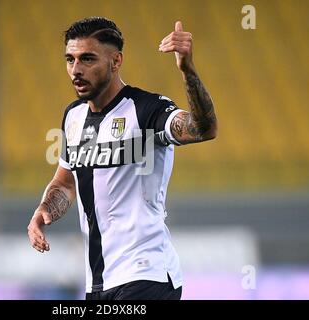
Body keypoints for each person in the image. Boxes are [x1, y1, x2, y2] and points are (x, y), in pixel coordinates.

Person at [27, 17, 217, 300]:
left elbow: (204, 128)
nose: (76, 70)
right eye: (70, 59)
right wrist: (44, 211)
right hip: (99, 283)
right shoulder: (73, 117)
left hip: (146, 275)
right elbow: (67, 181)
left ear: (116, 61)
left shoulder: (147, 109)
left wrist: (188, 70)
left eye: (87, 59)